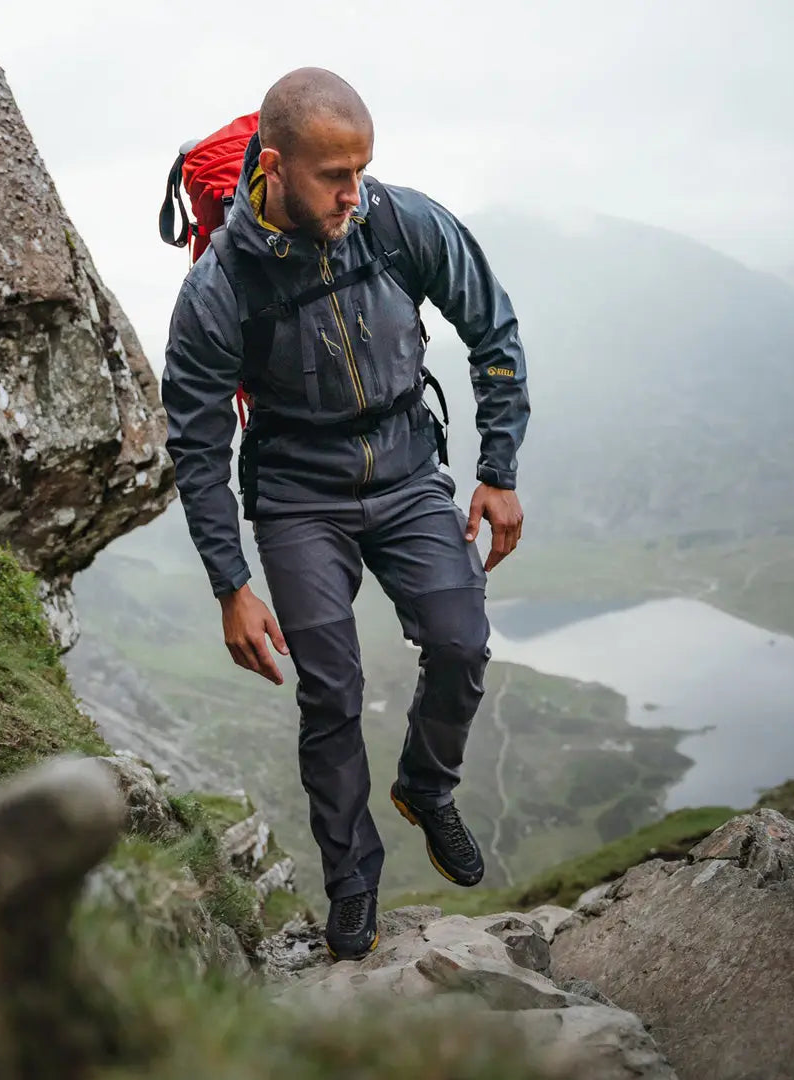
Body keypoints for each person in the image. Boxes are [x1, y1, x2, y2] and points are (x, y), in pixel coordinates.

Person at [162, 67, 529, 960]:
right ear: (276, 166)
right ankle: (352, 886)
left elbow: (492, 327)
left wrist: (498, 469)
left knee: (459, 641)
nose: (352, 194)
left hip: (407, 471)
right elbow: (199, 445)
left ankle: (426, 786)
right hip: (297, 494)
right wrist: (230, 586)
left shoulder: (399, 222)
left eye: (362, 169)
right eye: (334, 175)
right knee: (332, 693)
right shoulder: (220, 288)